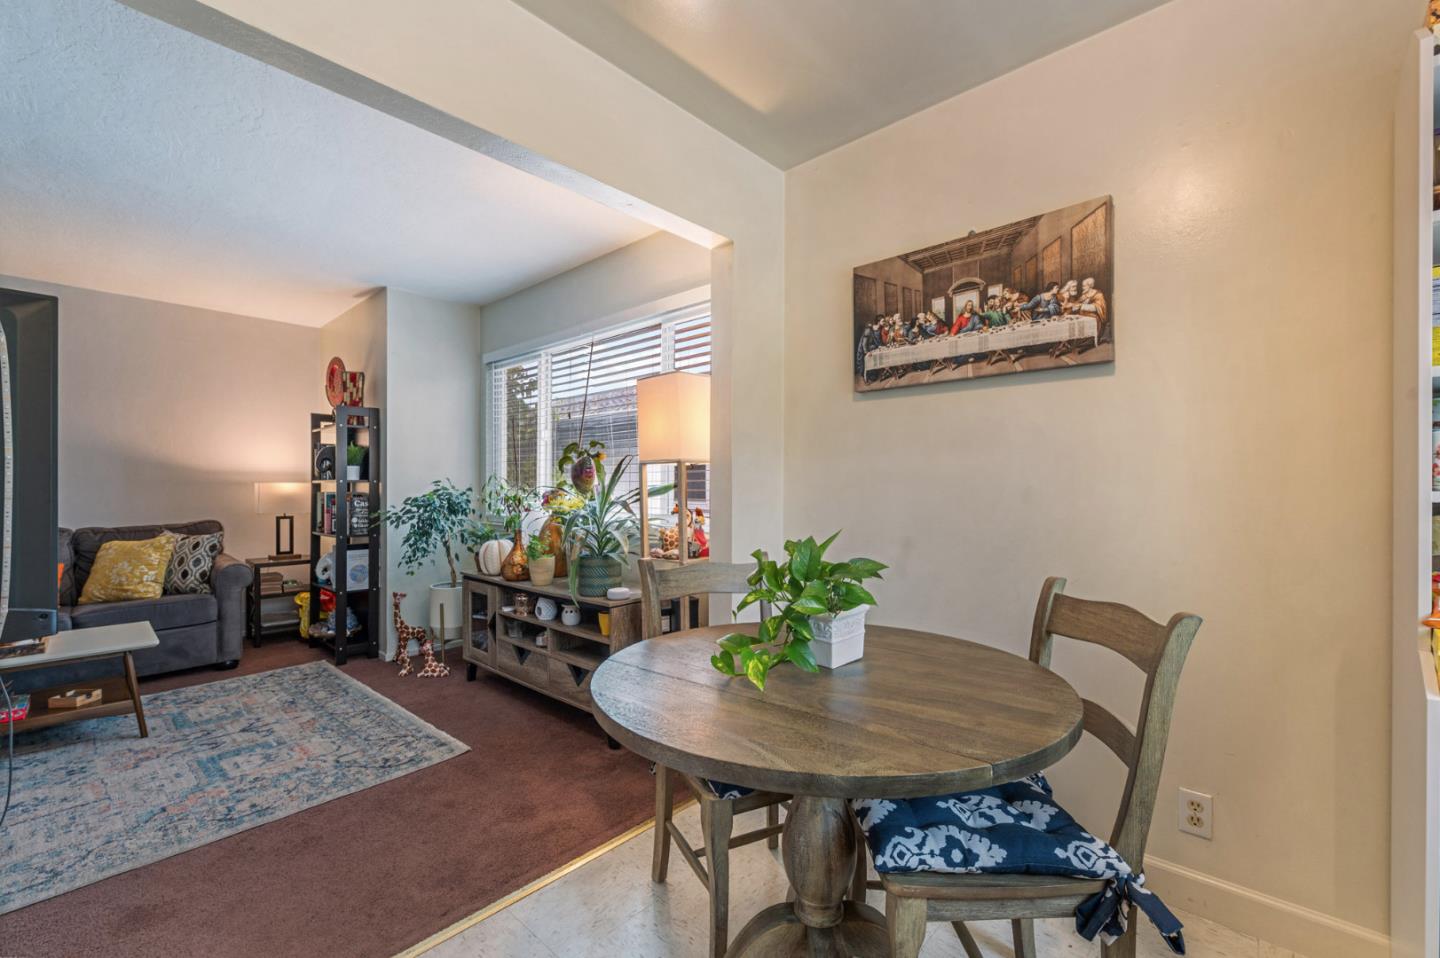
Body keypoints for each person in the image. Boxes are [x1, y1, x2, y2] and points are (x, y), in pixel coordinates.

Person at [1075, 277, 1109, 341]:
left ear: (1090, 286)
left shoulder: (1098, 295)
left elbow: (1098, 307)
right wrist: (1073, 306)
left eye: (1084, 286)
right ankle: (1078, 340)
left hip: (1094, 317)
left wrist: (1081, 306)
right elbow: (1077, 303)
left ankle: (1088, 339)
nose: (1082, 288)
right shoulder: (1084, 295)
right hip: (1083, 315)